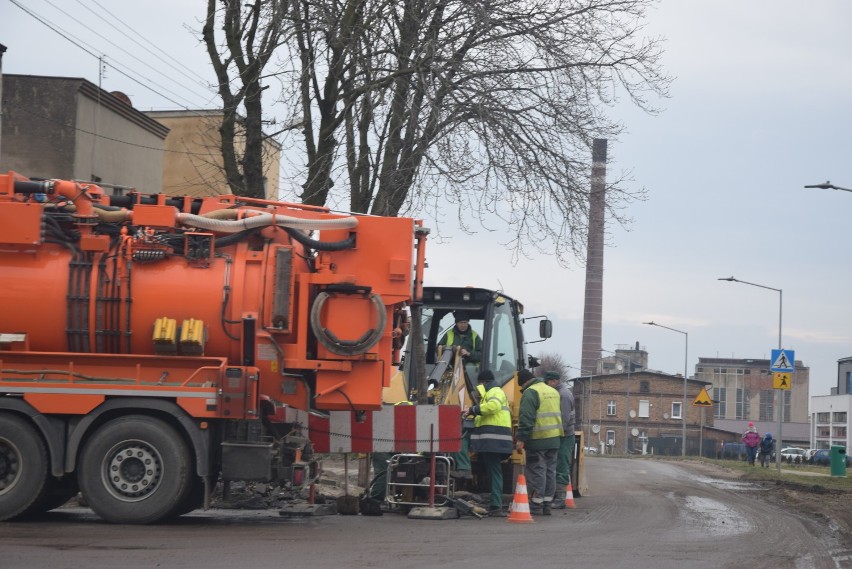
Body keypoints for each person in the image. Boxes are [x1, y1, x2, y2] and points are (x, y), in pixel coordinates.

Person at [465, 369, 514, 517]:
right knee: (494, 472)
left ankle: (496, 505)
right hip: (494, 440)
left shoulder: (495, 392)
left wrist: (473, 409)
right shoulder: (492, 392)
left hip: (494, 439)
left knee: (494, 472)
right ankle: (495, 504)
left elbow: (493, 407)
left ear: (483, 382)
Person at [515, 369, 563, 516]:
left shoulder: (531, 392)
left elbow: (526, 418)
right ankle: (547, 504)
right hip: (554, 439)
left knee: (537, 471)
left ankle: (536, 505)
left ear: (523, 383)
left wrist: (521, 439)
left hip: (538, 439)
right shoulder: (553, 391)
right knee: (550, 471)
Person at [439, 311, 480, 481]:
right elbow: (438, 350)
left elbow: (481, 354)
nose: (463, 324)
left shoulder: (475, 336)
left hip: (470, 371)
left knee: (470, 369)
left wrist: (468, 354)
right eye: (460, 322)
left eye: (465, 322)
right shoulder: (448, 335)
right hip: (449, 373)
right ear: (456, 323)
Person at [544, 371, 575, 509]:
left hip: (565, 435)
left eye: (547, 382)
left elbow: (564, 419)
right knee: (558, 464)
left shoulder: (563, 395)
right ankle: (557, 496)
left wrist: (556, 434)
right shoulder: (561, 393)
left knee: (561, 465)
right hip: (562, 434)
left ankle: (561, 498)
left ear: (553, 381)